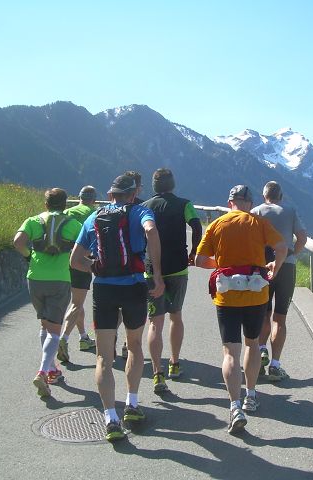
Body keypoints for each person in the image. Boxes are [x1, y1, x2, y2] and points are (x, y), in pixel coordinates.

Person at [70, 174, 164, 442]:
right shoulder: (140, 212)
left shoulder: (94, 217)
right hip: (134, 286)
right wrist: (157, 274)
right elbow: (151, 231)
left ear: (110, 195)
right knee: (134, 346)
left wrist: (96, 266)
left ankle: (110, 418)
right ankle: (132, 404)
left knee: (103, 357)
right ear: (133, 194)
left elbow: (75, 260)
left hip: (104, 290)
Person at [195, 185, 287, 434]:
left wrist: (223, 264)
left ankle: (235, 406)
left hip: (227, 296)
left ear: (230, 202)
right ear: (250, 204)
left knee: (230, 352)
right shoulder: (259, 223)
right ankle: (251, 395)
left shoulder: (216, 225)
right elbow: (281, 247)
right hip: (256, 294)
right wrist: (274, 268)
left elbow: (200, 260)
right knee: (253, 344)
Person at [13, 188, 82, 398]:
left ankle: (52, 369)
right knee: (54, 329)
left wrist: (29, 256)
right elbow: (85, 247)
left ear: (45, 204)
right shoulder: (73, 224)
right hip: (59, 279)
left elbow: (18, 242)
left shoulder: (33, 221)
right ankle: (43, 372)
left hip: (35, 278)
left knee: (44, 324)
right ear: (65, 205)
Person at [142, 168, 202, 393]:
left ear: (154, 185)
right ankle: (174, 363)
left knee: (155, 323)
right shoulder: (185, 204)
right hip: (178, 267)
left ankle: (157, 373)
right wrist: (194, 251)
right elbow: (196, 226)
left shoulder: (144, 206)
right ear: (173, 184)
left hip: (151, 270)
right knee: (176, 316)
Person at [251, 181, 307, 381]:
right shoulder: (290, 211)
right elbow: (302, 237)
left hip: (262, 267)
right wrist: (292, 254)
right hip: (286, 267)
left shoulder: (256, 212)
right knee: (280, 318)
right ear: (281, 196)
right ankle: (275, 365)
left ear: (263, 196)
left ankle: (260, 353)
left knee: (262, 314)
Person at [56, 186, 98, 363]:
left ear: (79, 197)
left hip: (63, 262)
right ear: (94, 199)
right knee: (76, 304)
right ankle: (63, 338)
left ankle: (83, 337)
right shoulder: (93, 213)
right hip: (81, 261)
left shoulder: (67, 212)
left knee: (76, 301)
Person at [117, 170, 144, 360]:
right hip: (135, 267)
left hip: (111, 267)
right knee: (132, 311)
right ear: (138, 188)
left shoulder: (107, 210)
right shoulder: (142, 208)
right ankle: (128, 345)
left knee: (116, 309)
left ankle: (109, 339)